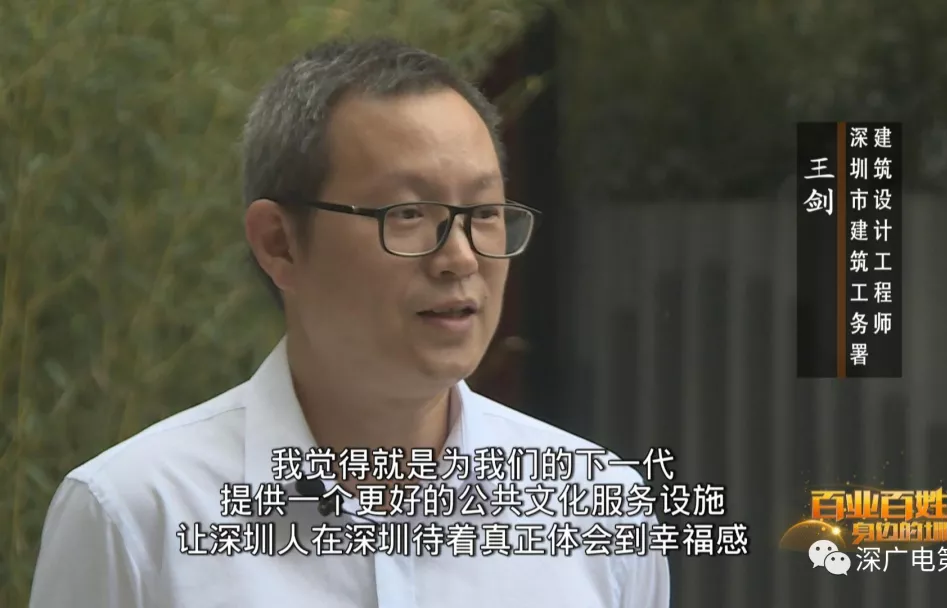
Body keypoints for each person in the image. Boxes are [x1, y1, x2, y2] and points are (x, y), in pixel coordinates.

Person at [30, 37, 669, 607]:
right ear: (279, 242)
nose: (460, 257)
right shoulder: (135, 518)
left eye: (484, 213)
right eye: (407, 214)